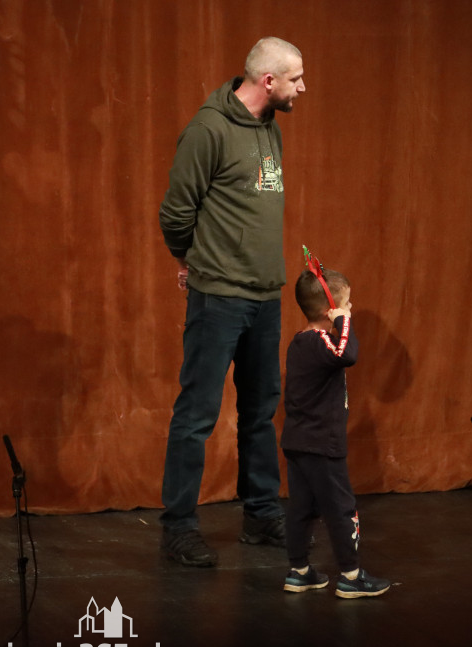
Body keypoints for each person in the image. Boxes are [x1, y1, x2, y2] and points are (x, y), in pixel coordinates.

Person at [157, 37, 306, 567]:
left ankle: (261, 515)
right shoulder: (208, 131)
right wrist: (191, 260)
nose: (302, 88)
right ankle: (178, 526)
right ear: (269, 81)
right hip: (218, 296)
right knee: (197, 414)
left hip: (266, 296)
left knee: (260, 411)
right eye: (295, 79)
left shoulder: (270, 129)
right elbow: (176, 212)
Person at [280, 266, 391, 598]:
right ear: (331, 309)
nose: (351, 309)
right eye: (347, 303)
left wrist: (339, 317)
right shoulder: (319, 344)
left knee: (302, 506)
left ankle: (299, 572)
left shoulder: (302, 343)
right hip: (321, 445)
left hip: (299, 443)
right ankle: (351, 576)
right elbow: (347, 353)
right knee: (341, 507)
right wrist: (343, 318)